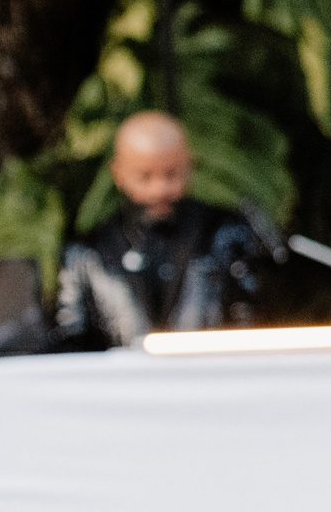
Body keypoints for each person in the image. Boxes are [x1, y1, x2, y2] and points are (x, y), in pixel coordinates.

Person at [56, 109, 270, 348]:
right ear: (118, 172)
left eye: (171, 174)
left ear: (189, 165)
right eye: (144, 177)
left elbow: (253, 324)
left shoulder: (226, 234)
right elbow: (69, 340)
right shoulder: (86, 254)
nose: (160, 190)